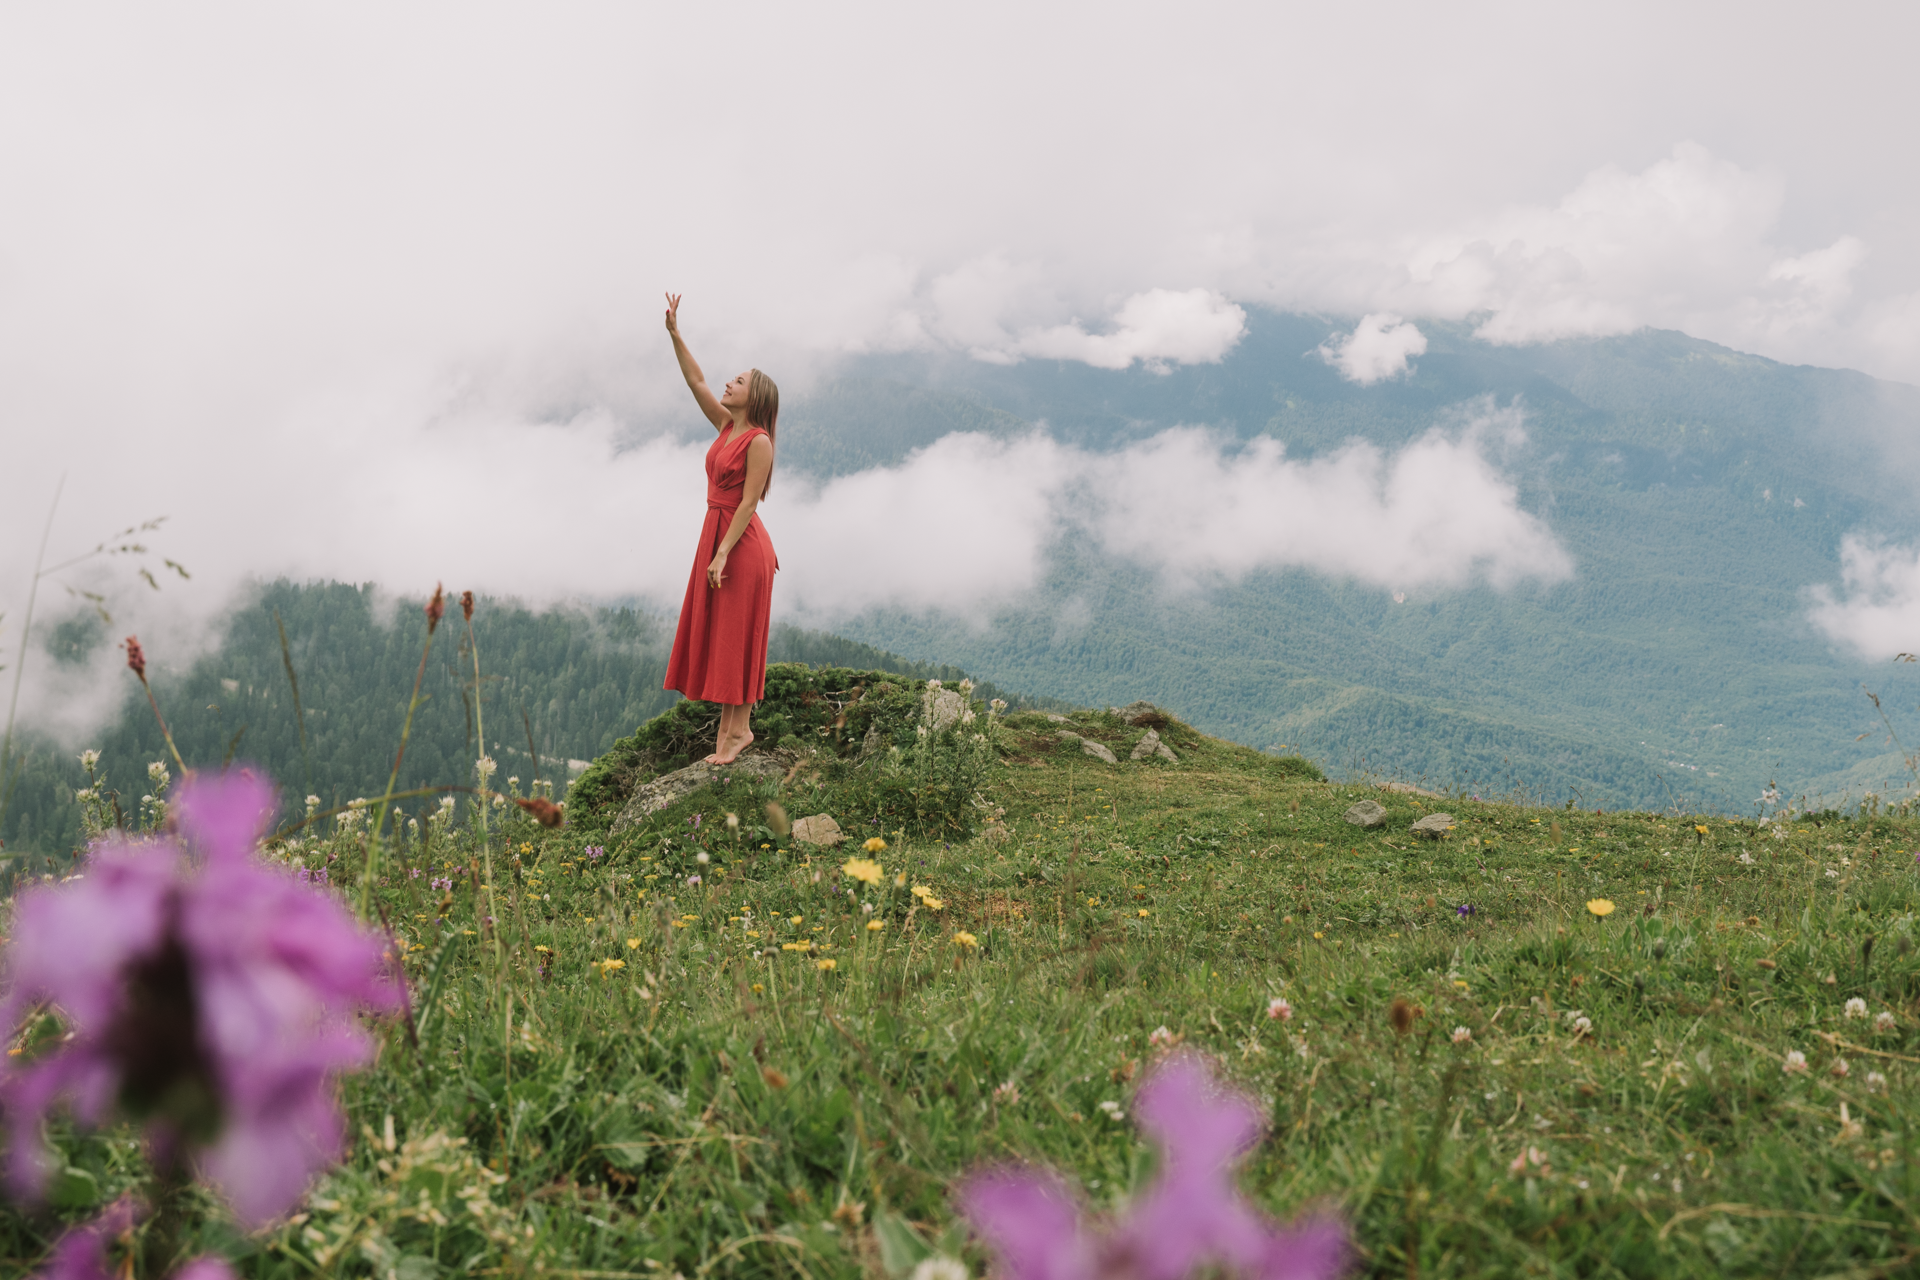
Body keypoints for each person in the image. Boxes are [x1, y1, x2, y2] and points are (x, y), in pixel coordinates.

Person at [660, 293, 780, 764]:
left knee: (737, 635)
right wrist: (675, 334)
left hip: (740, 543)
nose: (729, 383)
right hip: (717, 534)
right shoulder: (726, 426)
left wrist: (724, 552)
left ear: (757, 396)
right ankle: (730, 734)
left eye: (740, 381)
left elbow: (750, 501)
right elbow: (696, 380)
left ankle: (738, 733)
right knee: (726, 634)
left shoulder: (758, 441)